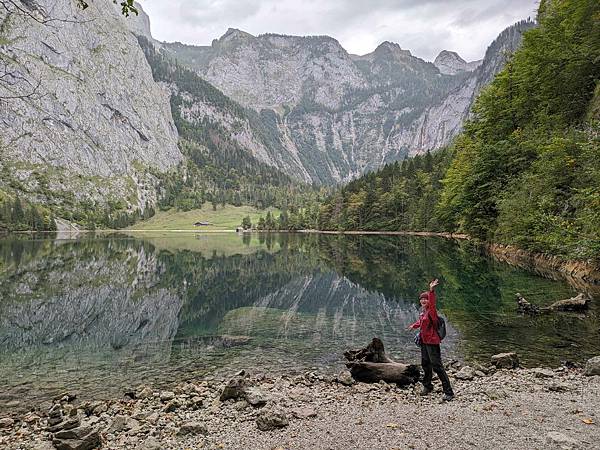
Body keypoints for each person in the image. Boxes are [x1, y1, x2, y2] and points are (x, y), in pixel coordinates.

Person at [408, 278, 454, 401]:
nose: (423, 300)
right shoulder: (424, 312)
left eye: (425, 298)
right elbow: (422, 322)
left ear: (429, 301)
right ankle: (427, 386)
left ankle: (449, 392)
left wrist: (431, 290)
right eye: (422, 299)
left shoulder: (432, 311)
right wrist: (414, 326)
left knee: (437, 366)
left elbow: (433, 304)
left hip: (432, 342)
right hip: (424, 342)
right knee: (425, 364)